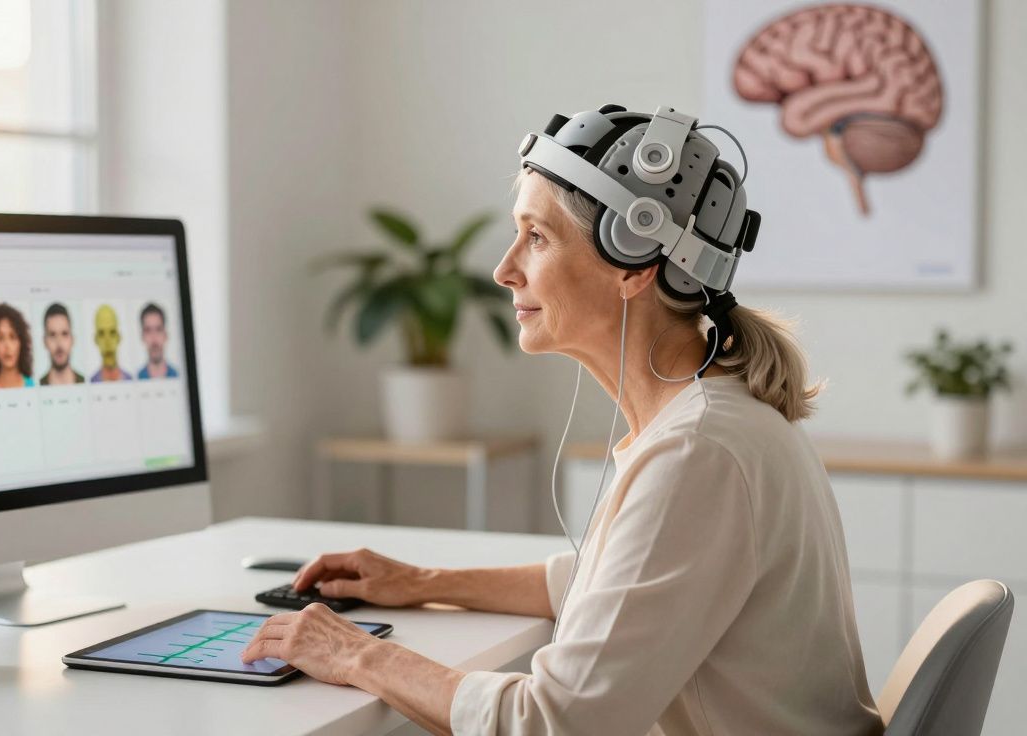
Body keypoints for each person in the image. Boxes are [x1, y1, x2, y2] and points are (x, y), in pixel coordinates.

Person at [241, 107, 883, 735]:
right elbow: (620, 585)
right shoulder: (714, 417)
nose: (504, 269)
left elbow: (556, 723)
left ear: (633, 263)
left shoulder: (698, 451)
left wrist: (357, 655)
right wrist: (421, 582)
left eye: (537, 237)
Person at [0, 303, 35, 389]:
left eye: (12, 337)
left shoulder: (34, 387)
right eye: (0, 338)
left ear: (21, 342)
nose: (7, 346)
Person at [39, 303, 85, 385]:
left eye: (64, 334)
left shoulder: (85, 382)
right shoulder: (37, 385)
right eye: (52, 335)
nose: (59, 344)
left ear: (72, 339)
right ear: (44, 342)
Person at [136, 302, 179, 379]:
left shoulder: (178, 376)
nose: (154, 338)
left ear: (166, 335)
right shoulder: (137, 378)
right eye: (148, 330)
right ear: (142, 336)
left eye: (158, 329)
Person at [90, 304, 131, 382]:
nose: (107, 342)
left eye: (112, 332)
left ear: (119, 337)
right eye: (101, 333)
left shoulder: (131, 380)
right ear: (96, 339)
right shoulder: (91, 382)